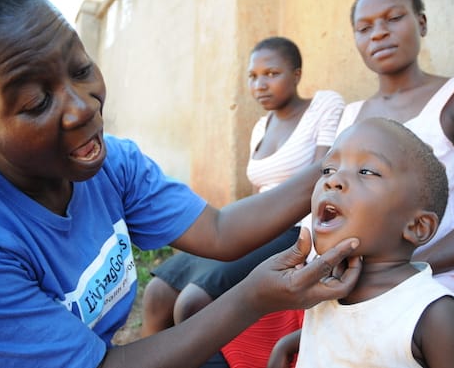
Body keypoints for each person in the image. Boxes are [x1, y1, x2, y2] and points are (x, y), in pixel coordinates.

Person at [0, 1, 364, 368]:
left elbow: (219, 230)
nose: (83, 107)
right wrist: (253, 296)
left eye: (80, 70)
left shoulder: (110, 163)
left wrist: (336, 165)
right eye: (37, 103)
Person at [141, 36, 344, 345]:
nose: (260, 84)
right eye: (253, 76)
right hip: (257, 226)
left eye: (271, 74)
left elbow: (322, 177)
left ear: (297, 74)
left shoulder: (324, 105)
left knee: (192, 302)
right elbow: (256, 195)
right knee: (157, 292)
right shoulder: (260, 127)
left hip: (295, 229)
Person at [268, 117, 454, 368]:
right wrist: (287, 344)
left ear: (417, 227)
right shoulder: (322, 292)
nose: (333, 180)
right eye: (328, 170)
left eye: (366, 172)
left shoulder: (436, 317)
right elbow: (345, 331)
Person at [336, 0, 454, 323]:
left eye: (394, 18)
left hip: (436, 284)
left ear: (422, 22)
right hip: (354, 285)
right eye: (365, 28)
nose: (379, 34)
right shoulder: (350, 118)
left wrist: (399, 271)